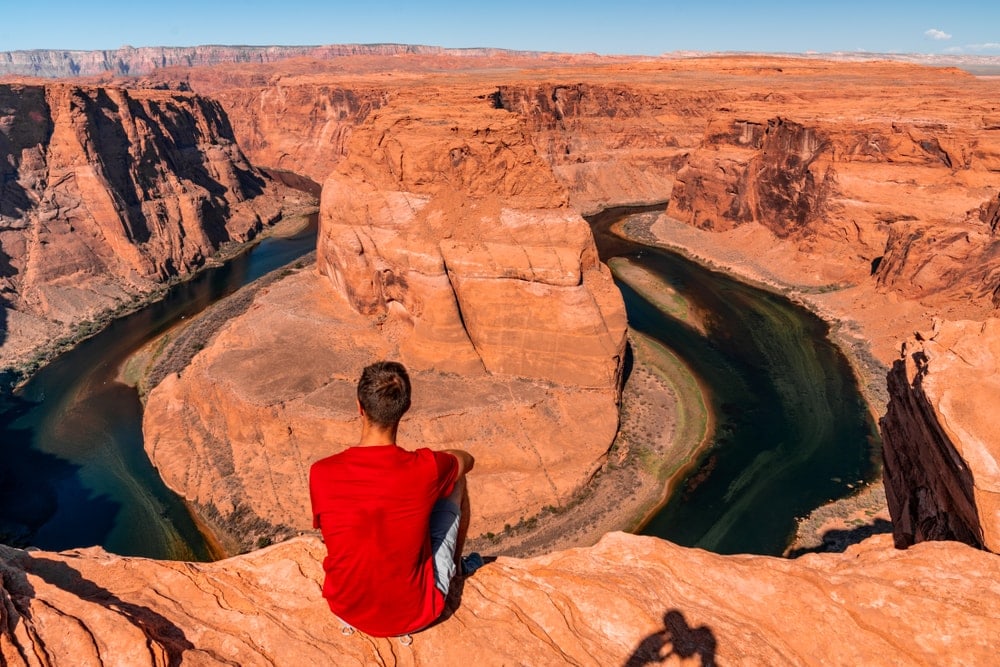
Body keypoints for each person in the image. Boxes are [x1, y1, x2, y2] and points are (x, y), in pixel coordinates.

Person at [309, 360, 480, 638]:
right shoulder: (426, 468)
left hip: (347, 607)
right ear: (406, 408)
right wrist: (439, 459)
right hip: (417, 613)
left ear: (359, 407)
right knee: (455, 480)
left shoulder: (321, 472)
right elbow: (467, 460)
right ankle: (456, 568)